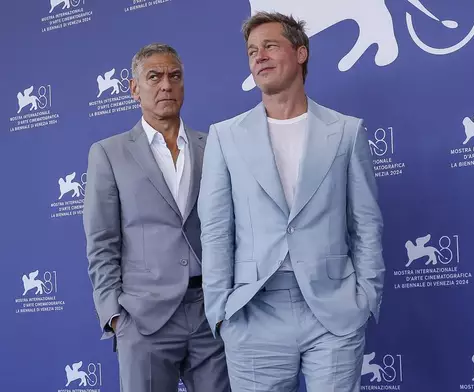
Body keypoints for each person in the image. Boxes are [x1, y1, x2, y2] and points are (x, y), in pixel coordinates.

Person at [198, 12, 385, 392]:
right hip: (253, 313)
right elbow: (216, 229)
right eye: (252, 51)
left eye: (270, 46)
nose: (259, 57)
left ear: (301, 53)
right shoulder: (225, 136)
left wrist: (366, 298)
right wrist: (220, 312)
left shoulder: (347, 132)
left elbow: (365, 223)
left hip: (334, 311)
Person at [82, 43, 230, 392]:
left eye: (174, 76)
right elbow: (101, 241)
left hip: (210, 314)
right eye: (154, 77)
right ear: (134, 89)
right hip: (144, 318)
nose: (166, 85)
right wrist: (115, 316)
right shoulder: (108, 153)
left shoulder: (215, 146)